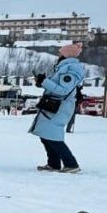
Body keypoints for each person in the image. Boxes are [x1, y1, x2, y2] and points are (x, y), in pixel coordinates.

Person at [30, 44, 85, 173]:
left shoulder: (71, 70)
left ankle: (71, 164)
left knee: (52, 135)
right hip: (53, 105)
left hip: (60, 106)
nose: (58, 55)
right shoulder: (64, 68)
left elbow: (63, 90)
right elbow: (56, 85)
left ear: (66, 55)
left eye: (60, 53)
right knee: (45, 134)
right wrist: (42, 82)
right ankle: (53, 163)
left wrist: (45, 82)